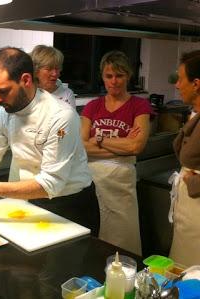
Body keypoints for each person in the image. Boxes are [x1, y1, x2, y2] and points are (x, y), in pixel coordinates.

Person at [0, 47, 97, 231]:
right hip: (31, 199)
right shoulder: (3, 115)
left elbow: (51, 183)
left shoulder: (60, 116)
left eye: (3, 91)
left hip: (70, 205)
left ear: (26, 80)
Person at [80, 50, 152, 255]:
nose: (114, 81)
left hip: (121, 184)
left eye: (119, 75)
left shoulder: (139, 105)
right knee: (95, 232)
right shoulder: (92, 107)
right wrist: (122, 146)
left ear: (128, 76)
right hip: (92, 181)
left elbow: (136, 147)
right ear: (102, 77)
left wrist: (101, 139)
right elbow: (82, 146)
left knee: (123, 238)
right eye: (109, 76)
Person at [168, 50, 200, 266]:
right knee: (181, 267)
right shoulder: (194, 112)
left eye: (180, 79)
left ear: (196, 83)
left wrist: (193, 181)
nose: (177, 85)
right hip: (188, 212)